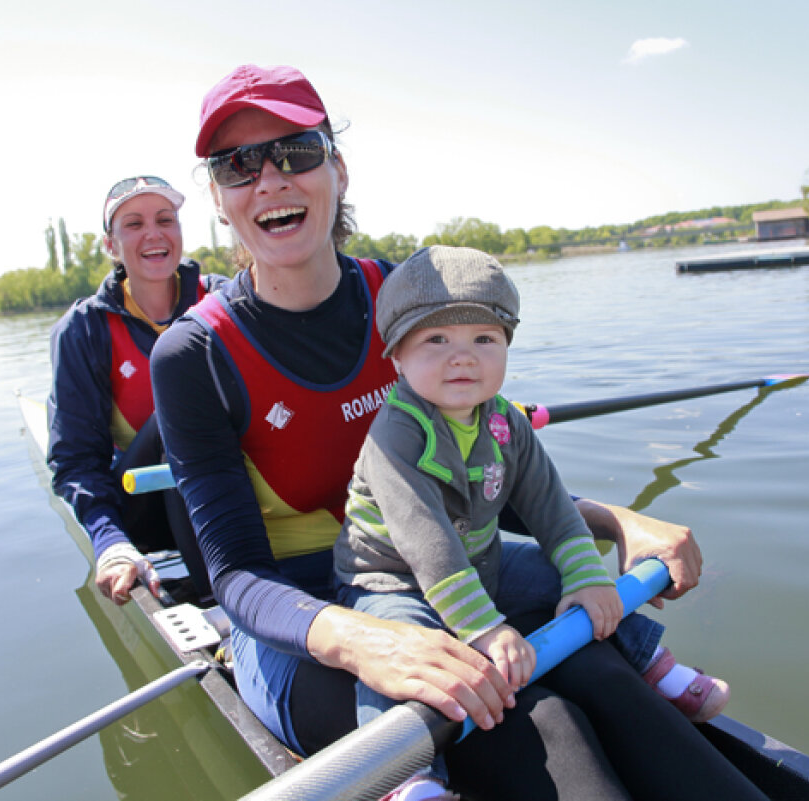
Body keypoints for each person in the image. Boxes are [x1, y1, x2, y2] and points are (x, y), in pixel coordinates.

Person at [152, 64, 765, 800]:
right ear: (219, 198)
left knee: (599, 665)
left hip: (445, 568)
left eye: (296, 152)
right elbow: (236, 578)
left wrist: (617, 521)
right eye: (238, 165)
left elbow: (489, 465)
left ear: (337, 169)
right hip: (300, 617)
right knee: (529, 719)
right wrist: (363, 638)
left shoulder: (414, 298)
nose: (270, 180)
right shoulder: (195, 354)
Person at [334, 245, 730, 799]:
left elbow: (551, 509)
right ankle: (408, 777)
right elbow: (429, 547)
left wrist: (587, 579)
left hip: (480, 556)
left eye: (484, 339)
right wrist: (486, 630)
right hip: (389, 576)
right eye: (436, 340)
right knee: (404, 647)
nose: (463, 358)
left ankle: (650, 663)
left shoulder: (505, 422)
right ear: (396, 355)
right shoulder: (395, 435)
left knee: (559, 571)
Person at [48, 175, 221, 605]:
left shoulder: (222, 298)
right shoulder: (84, 330)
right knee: (178, 409)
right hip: (146, 508)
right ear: (110, 245)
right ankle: (220, 596)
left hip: (227, 493)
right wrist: (109, 541)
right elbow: (76, 461)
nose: (154, 234)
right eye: (133, 224)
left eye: (166, 219)